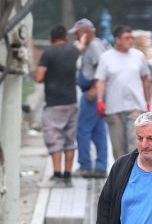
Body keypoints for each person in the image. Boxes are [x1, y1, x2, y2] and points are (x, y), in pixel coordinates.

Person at [95, 25, 151, 159]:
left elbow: (145, 79)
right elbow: (100, 80)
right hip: (114, 109)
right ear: (117, 40)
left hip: (135, 107)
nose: (130, 40)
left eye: (131, 38)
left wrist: (147, 102)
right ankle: (121, 171)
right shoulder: (106, 58)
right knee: (118, 148)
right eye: (127, 38)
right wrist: (100, 100)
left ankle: (135, 171)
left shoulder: (138, 56)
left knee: (135, 146)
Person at [35, 25, 79, 185]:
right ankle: (68, 176)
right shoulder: (74, 51)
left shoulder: (48, 53)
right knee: (69, 141)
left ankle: (58, 175)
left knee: (55, 139)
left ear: (50, 38)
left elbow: (39, 77)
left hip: (54, 104)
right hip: (72, 102)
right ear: (66, 38)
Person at [71, 18, 108, 179]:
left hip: (92, 93)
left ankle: (85, 165)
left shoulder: (94, 46)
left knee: (83, 130)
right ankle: (100, 166)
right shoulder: (91, 46)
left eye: (77, 33)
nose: (76, 36)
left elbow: (102, 67)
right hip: (94, 92)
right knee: (98, 130)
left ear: (85, 32)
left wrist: (94, 88)